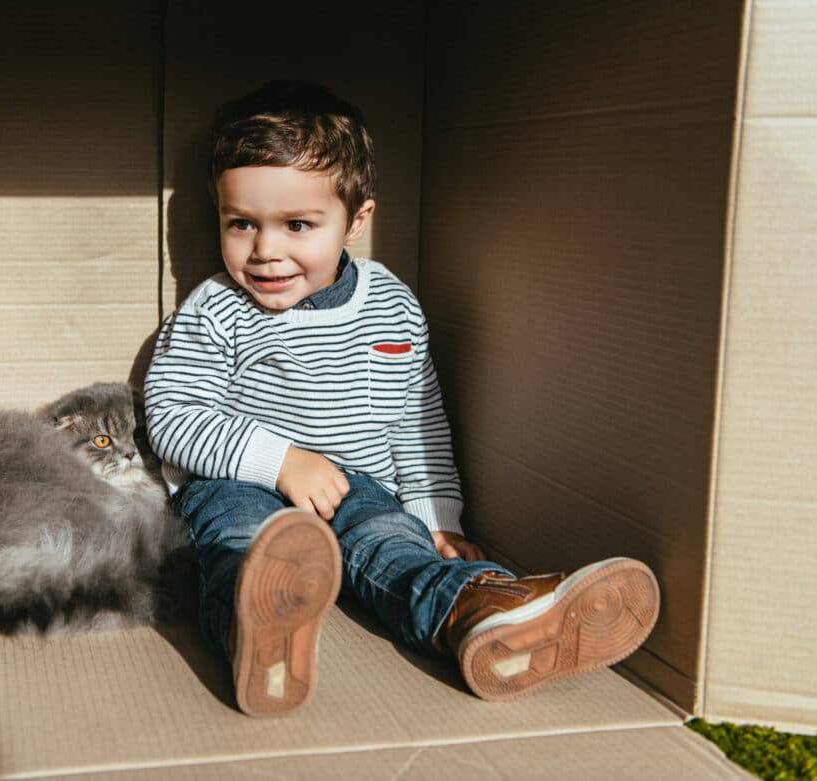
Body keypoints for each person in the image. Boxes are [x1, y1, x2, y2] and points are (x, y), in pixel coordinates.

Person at [143, 81, 659, 717]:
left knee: (390, 543)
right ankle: (259, 634)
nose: (266, 250)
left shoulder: (390, 303)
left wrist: (438, 514)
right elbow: (171, 416)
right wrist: (279, 461)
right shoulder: (217, 308)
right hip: (237, 483)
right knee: (239, 549)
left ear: (356, 221)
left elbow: (418, 417)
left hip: (359, 485)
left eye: (297, 225)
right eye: (241, 223)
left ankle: (476, 613)